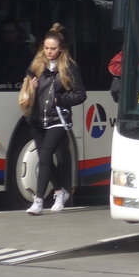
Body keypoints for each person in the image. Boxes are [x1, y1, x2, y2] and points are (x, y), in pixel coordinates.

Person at [23, 23, 86, 215]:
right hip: (36, 119)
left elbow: (80, 94)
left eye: (53, 49)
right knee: (45, 160)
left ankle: (39, 201)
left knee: (45, 157)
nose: (49, 52)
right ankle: (60, 191)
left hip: (57, 119)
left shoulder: (68, 67)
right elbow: (26, 88)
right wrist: (30, 88)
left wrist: (59, 99)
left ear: (61, 49)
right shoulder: (37, 66)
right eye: (46, 48)